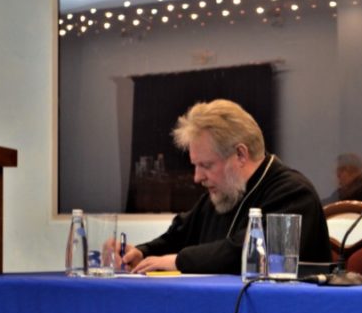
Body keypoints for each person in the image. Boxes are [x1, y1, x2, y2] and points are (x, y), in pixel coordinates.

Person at [121, 99, 330, 274]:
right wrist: (142, 252)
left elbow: (250, 253)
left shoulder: (294, 194)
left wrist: (179, 261)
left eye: (206, 165)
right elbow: (178, 238)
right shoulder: (222, 194)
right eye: (195, 166)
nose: (197, 178)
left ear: (240, 154)